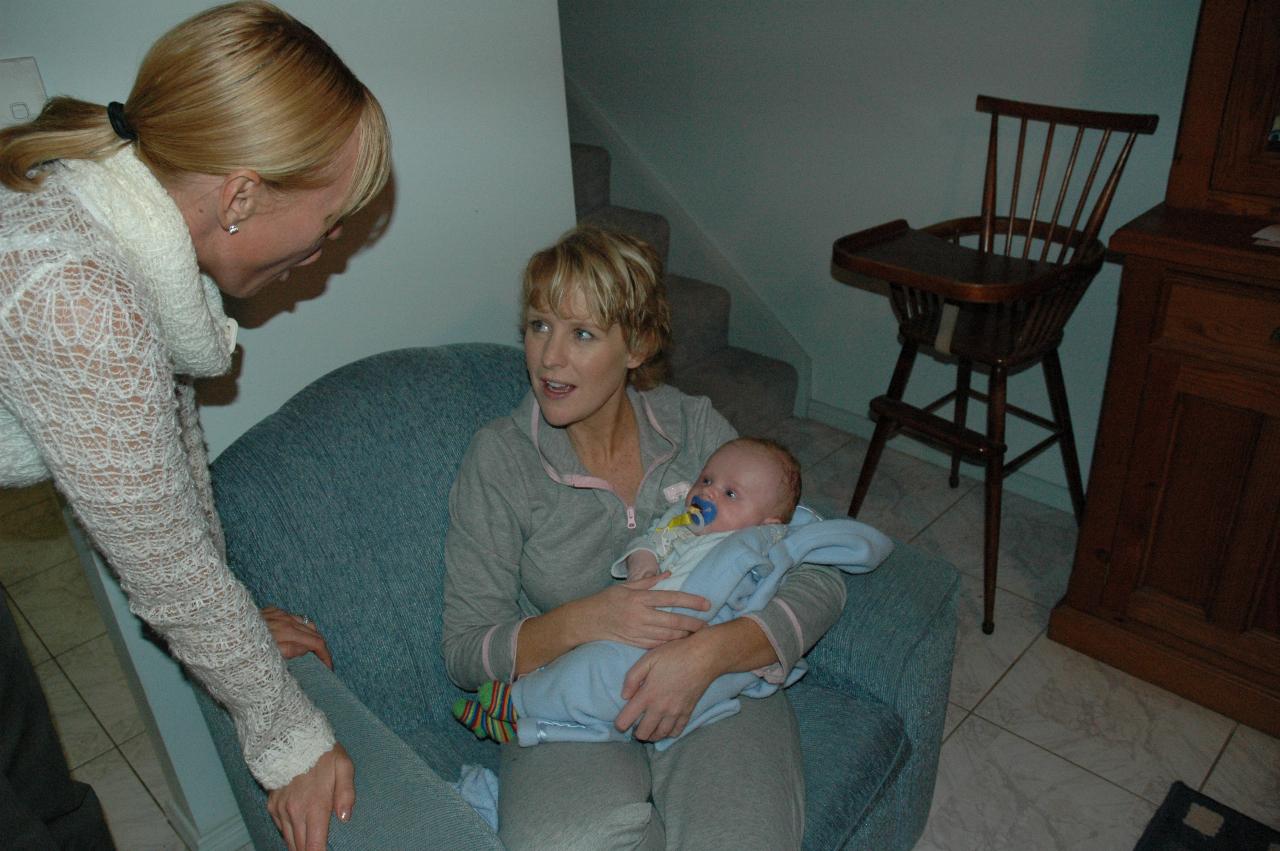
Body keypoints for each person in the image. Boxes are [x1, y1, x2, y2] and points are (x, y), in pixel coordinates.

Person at [0, 3, 391, 849]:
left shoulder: (133, 239)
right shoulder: (78, 294)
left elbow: (167, 474)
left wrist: (239, 617)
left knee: (31, 771)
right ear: (243, 193)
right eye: (329, 224)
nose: (327, 250)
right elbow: (162, 561)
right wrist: (289, 736)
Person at [442, 225, 851, 850]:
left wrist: (712, 654)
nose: (549, 358)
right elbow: (468, 652)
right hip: (572, 710)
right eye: (538, 325)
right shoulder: (501, 459)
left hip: (717, 685)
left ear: (635, 345)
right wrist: (591, 619)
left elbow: (816, 566)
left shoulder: (695, 427)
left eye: (582, 333)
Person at [452, 437, 893, 750]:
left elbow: (818, 573)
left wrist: (710, 654)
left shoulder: (759, 540)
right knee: (591, 667)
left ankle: (518, 704)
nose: (706, 493)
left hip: (704, 645)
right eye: (705, 479)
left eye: (730, 492)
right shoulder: (681, 522)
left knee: (602, 673)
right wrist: (640, 560)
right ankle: (532, 701)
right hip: (632, 626)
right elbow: (652, 538)